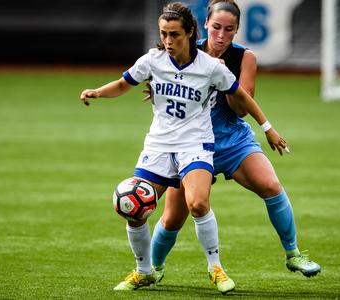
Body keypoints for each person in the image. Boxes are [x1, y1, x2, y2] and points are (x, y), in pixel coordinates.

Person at [79, 1, 288, 294]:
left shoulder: (210, 67)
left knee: (198, 203)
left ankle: (215, 268)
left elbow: (242, 97)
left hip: (196, 144)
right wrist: (98, 92)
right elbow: (124, 83)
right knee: (134, 209)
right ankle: (144, 271)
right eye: (163, 34)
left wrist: (268, 129)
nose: (168, 41)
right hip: (160, 145)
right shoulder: (152, 61)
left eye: (174, 34)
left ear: (190, 32)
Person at [149, 0, 321, 284]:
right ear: (204, 25)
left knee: (271, 186)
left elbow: (241, 107)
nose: (221, 35)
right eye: (216, 27)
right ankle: (152, 269)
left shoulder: (244, 57)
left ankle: (293, 254)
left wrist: (221, 74)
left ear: (237, 30)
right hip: (189, 143)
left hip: (231, 140)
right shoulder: (186, 48)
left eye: (229, 30)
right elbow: (164, 79)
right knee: (172, 218)